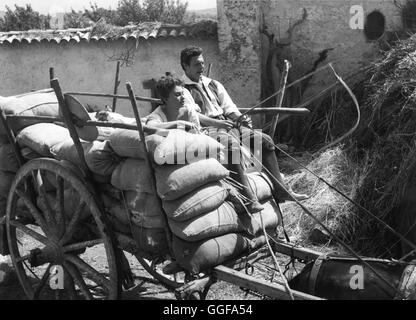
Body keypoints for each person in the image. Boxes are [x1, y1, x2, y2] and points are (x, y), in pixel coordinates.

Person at [180, 46, 308, 212]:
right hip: (207, 130)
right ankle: (248, 199)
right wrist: (217, 124)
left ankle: (281, 191)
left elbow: (229, 108)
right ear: (185, 66)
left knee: (265, 141)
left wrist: (241, 118)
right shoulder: (182, 89)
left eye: (203, 63)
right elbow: (194, 117)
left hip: (227, 125)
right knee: (231, 146)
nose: (202, 67)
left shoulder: (213, 84)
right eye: (197, 64)